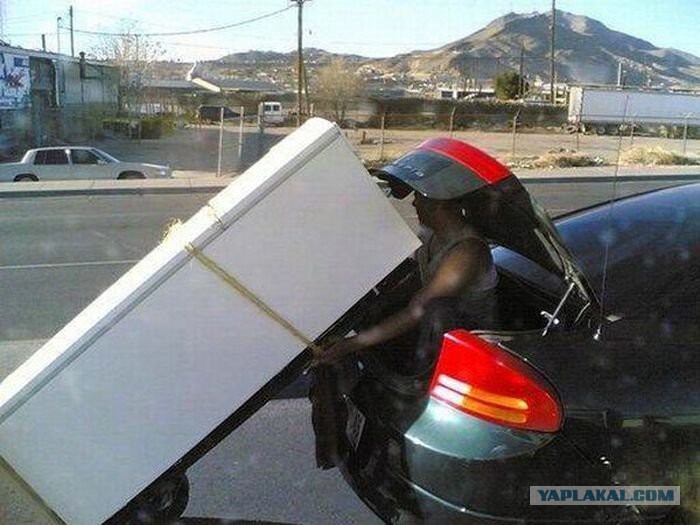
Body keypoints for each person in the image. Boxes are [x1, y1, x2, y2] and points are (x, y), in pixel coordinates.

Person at [315, 142, 500, 365]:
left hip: (467, 346)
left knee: (436, 309)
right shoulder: (430, 235)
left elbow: (420, 307)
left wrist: (350, 344)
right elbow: (412, 283)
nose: (414, 202)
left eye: (419, 196)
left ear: (439, 203)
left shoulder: (467, 252)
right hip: (433, 333)